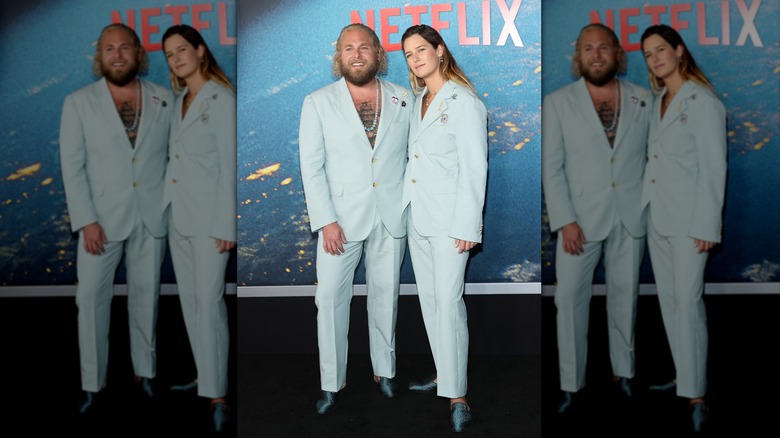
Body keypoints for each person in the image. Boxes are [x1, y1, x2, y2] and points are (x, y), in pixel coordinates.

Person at [298, 23, 412, 415]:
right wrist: (325, 221)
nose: (357, 54)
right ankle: (332, 383)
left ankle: (386, 371)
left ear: (379, 53)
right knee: (330, 298)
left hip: (391, 216)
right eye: (348, 48)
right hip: (339, 222)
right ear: (339, 56)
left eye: (364, 47)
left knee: (386, 296)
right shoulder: (317, 102)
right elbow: (311, 167)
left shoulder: (404, 97)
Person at [59, 23, 173, 413]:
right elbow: (72, 168)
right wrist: (86, 220)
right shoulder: (78, 102)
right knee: (91, 300)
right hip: (99, 223)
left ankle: (146, 372)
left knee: (147, 298)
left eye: (125, 47)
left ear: (139, 53)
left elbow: (175, 159)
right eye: (109, 48)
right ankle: (93, 382)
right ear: (100, 56)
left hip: (151, 218)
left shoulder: (163, 98)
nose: (118, 54)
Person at [541, 23, 651, 414]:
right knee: (570, 300)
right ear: (579, 56)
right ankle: (571, 382)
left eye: (604, 47)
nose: (597, 54)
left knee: (626, 298)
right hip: (578, 223)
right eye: (588, 48)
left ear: (617, 53)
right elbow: (552, 168)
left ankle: (625, 372)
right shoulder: (557, 103)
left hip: (631, 217)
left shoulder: (643, 99)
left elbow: (655, 160)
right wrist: (565, 220)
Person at [400, 24, 488, 433]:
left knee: (449, 305)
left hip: (452, 223)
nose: (415, 59)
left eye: (421, 49)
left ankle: (458, 396)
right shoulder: (419, 100)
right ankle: (444, 375)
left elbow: (474, 167)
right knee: (432, 304)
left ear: (439, 51)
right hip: (418, 217)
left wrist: (468, 224)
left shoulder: (464, 101)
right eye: (408, 54)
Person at [640, 24, 727, 433]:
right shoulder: (659, 100)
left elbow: (713, 167)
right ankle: (684, 377)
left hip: (691, 223)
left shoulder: (703, 101)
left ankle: (697, 396)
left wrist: (707, 224)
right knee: (671, 304)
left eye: (660, 49)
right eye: (648, 54)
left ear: (679, 50)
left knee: (688, 306)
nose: (655, 59)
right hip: (658, 217)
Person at [161, 24, 236, 432]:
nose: (176, 59)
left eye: (181, 50)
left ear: (201, 50)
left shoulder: (222, 99)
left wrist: (226, 222)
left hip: (210, 222)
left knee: (209, 304)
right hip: (179, 216)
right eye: (169, 54)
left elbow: (228, 165)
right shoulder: (179, 101)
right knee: (191, 304)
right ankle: (205, 376)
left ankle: (218, 394)